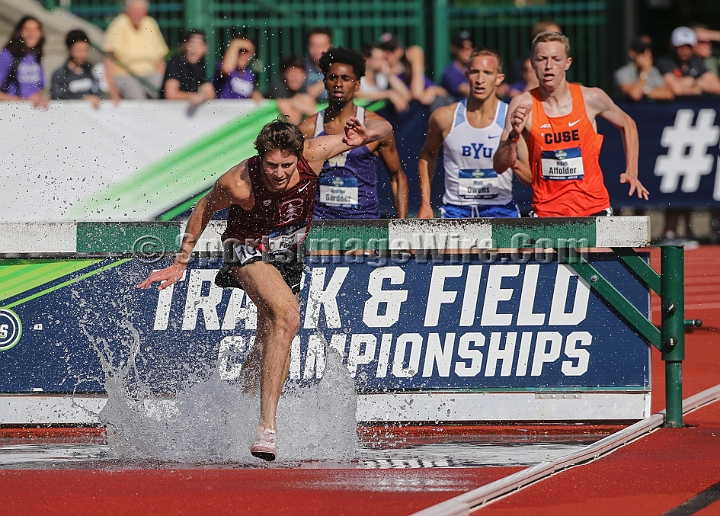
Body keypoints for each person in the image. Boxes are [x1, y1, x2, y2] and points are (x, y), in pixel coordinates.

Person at [137, 115, 392, 461]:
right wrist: (181, 262)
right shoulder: (239, 183)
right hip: (245, 248)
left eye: (286, 165)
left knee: (269, 341)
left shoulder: (315, 152)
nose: (279, 173)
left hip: (288, 253)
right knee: (288, 317)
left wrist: (366, 135)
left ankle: (234, 417)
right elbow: (203, 208)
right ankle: (267, 429)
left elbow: (386, 129)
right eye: (271, 165)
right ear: (260, 158)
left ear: (298, 156)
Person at [493, 31, 648, 217]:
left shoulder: (591, 98)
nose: (549, 66)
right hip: (546, 211)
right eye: (542, 59)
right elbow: (500, 166)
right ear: (532, 64)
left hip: (593, 209)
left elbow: (628, 124)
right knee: (537, 247)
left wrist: (632, 171)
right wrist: (513, 137)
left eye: (556, 59)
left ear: (568, 63)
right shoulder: (522, 104)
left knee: (588, 247)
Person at [418, 48, 531, 219]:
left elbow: (531, 177)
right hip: (457, 210)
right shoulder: (445, 117)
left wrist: (507, 158)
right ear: (466, 75)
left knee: (512, 246)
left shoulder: (512, 118)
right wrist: (425, 204)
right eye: (474, 72)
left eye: (487, 73)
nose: (480, 80)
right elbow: (427, 154)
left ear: (499, 78)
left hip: (500, 210)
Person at [299, 47, 408, 219]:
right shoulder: (307, 127)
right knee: (323, 247)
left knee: (359, 247)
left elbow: (397, 177)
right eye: (333, 78)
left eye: (346, 78)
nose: (339, 84)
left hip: (364, 221)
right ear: (325, 82)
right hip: (320, 221)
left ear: (357, 84)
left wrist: (403, 226)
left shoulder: (372, 125)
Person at [102, 0, 169, 101]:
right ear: (127, 11)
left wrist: (166, 79)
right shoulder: (120, 24)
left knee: (165, 89)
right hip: (125, 73)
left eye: (141, 10)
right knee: (136, 96)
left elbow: (159, 59)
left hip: (150, 72)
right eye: (134, 10)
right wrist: (111, 87)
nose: (138, 14)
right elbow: (109, 58)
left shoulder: (150, 23)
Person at [0, 16, 49, 108]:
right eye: (27, 30)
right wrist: (22, 101)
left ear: (40, 34)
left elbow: (39, 89)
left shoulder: (36, 56)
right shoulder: (7, 56)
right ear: (19, 33)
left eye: (35, 30)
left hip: (31, 116)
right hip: (11, 113)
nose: (31, 34)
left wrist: (41, 99)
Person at [656, 26, 720, 96]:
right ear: (672, 46)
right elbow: (677, 89)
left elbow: (717, 86)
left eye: (688, 46)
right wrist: (696, 88)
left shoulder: (696, 61)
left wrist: (694, 83)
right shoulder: (665, 62)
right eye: (681, 46)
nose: (685, 50)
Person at [162, 29, 215, 106]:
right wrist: (192, 96)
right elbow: (170, 94)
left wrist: (202, 97)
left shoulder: (200, 64)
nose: (194, 50)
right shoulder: (176, 61)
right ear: (184, 46)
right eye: (192, 45)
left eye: (199, 46)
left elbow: (210, 93)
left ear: (205, 49)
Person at [50, 29, 102, 108]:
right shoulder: (60, 73)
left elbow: (98, 92)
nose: (82, 55)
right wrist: (81, 99)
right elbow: (57, 97)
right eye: (78, 50)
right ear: (69, 49)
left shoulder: (90, 71)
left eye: (85, 50)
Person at [614, 36, 674, 101]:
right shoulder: (622, 73)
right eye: (642, 50)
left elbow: (668, 94)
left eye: (650, 50)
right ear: (632, 53)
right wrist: (644, 71)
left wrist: (645, 91)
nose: (648, 54)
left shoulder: (653, 71)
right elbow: (635, 94)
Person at [357, 43, 411, 112]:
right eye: (377, 59)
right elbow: (360, 96)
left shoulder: (382, 76)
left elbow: (406, 95)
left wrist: (388, 74)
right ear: (366, 59)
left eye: (383, 59)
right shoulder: (356, 75)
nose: (382, 62)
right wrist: (389, 94)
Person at [264, 55, 316, 123]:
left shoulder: (301, 87)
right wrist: (296, 103)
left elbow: (311, 110)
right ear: (284, 74)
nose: (296, 79)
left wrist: (295, 103)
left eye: (299, 74)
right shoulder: (278, 86)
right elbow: (293, 120)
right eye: (292, 74)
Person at [214, 33, 263, 101]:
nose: (242, 54)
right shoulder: (222, 65)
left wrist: (254, 95)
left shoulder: (250, 74)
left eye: (246, 51)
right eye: (239, 50)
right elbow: (227, 69)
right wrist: (235, 44)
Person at [440, 31, 474, 100]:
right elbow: (465, 90)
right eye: (461, 46)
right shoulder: (449, 72)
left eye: (471, 45)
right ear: (453, 49)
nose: (467, 48)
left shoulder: (476, 69)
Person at [304, 28, 332, 102]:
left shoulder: (341, 66)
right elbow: (304, 96)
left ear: (331, 47)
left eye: (322, 45)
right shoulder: (300, 66)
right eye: (313, 45)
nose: (317, 49)